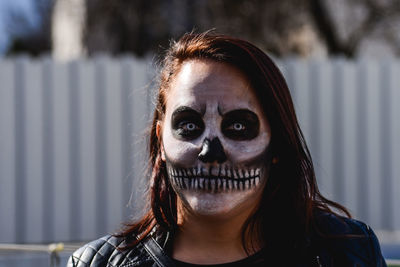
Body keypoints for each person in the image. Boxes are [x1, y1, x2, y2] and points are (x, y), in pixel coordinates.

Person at [67, 32, 387, 266]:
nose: (211, 152)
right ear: (160, 140)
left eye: (237, 126)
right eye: (190, 126)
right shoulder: (98, 264)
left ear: (276, 142)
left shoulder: (348, 255)